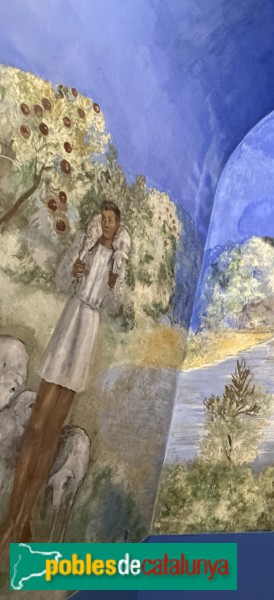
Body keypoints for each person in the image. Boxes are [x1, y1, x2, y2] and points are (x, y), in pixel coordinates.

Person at [0, 201, 129, 545]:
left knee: (53, 430)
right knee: (37, 425)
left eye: (111, 220)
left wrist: (113, 283)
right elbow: (61, 280)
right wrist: (73, 269)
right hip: (70, 321)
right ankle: (11, 515)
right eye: (103, 218)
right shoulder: (85, 245)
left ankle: (24, 518)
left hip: (87, 329)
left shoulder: (118, 260)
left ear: (118, 226)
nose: (106, 223)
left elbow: (114, 304)